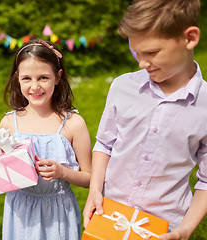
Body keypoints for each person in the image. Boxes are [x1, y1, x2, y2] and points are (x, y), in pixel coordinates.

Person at [82, 1, 207, 239]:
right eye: (135, 52)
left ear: (189, 38)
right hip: (109, 215)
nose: (141, 63)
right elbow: (105, 144)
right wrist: (95, 191)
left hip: (165, 227)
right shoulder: (122, 86)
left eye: (151, 53)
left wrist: (184, 231)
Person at [0, 39, 92, 240]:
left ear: (58, 77)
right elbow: (2, 173)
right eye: (26, 78)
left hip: (57, 214)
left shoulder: (73, 123)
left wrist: (63, 172)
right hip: (20, 213)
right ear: (17, 78)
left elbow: (90, 178)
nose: (35, 86)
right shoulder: (8, 123)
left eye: (43, 77)